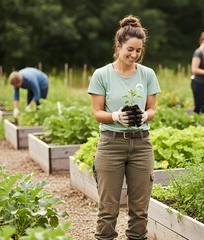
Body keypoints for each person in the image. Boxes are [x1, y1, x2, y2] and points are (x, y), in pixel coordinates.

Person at [87, 15, 161, 240]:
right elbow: (98, 113)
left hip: (141, 144)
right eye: (130, 49)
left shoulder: (147, 74)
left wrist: (144, 116)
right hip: (111, 144)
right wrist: (116, 116)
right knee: (108, 208)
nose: (134, 55)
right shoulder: (102, 75)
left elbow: (152, 109)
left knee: (140, 209)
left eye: (138, 50)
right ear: (118, 45)